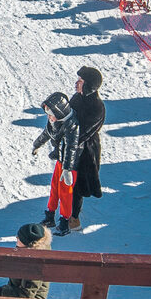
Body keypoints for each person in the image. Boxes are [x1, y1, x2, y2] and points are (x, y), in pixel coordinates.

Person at [30, 92, 80, 236]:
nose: (49, 117)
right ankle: (50, 216)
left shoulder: (72, 125)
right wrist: (36, 144)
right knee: (54, 188)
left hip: (70, 166)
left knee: (65, 193)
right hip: (60, 160)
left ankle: (65, 222)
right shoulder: (53, 122)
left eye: (51, 114)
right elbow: (46, 133)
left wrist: (68, 169)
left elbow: (72, 147)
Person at [69, 67, 107, 229]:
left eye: (81, 81)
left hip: (85, 152)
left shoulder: (97, 107)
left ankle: (74, 218)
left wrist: (67, 136)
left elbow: (83, 132)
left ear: (89, 85)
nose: (77, 83)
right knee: (64, 182)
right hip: (70, 147)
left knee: (78, 186)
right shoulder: (77, 98)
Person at [0, 222, 53, 299]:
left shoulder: (34, 264)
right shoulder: (28, 252)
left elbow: (26, 295)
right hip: (19, 294)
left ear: (28, 244)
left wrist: (1, 292)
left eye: (20, 238)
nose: (17, 238)